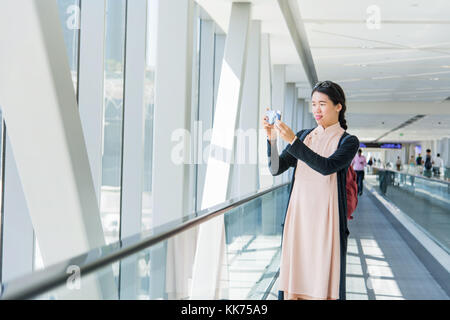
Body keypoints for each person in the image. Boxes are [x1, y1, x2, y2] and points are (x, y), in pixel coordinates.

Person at [264, 80, 359, 300]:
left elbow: (326, 167)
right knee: (295, 280)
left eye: (322, 103)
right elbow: (276, 168)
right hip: (298, 219)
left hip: (326, 223)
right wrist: (272, 139)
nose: (316, 109)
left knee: (322, 282)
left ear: (338, 106)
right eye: (313, 103)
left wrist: (293, 141)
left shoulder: (348, 141)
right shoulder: (305, 135)